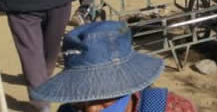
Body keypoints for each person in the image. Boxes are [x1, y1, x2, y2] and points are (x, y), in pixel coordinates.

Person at [31, 21, 197, 112]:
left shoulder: (174, 109)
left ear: (128, 84)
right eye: (79, 101)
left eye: (104, 98)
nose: (91, 110)